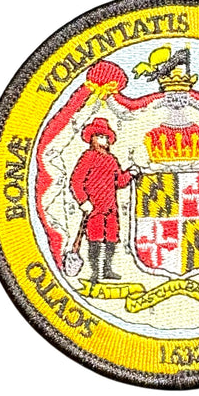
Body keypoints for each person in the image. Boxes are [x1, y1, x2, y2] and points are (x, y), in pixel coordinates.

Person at [70, 118, 137, 282]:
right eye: (100, 136)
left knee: (111, 236)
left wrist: (130, 174)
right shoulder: (88, 157)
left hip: (111, 207)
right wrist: (83, 201)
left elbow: (119, 181)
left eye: (106, 137)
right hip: (94, 208)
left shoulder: (111, 160)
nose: (104, 140)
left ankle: (107, 269)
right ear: (92, 138)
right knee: (95, 236)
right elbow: (76, 181)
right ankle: (95, 272)